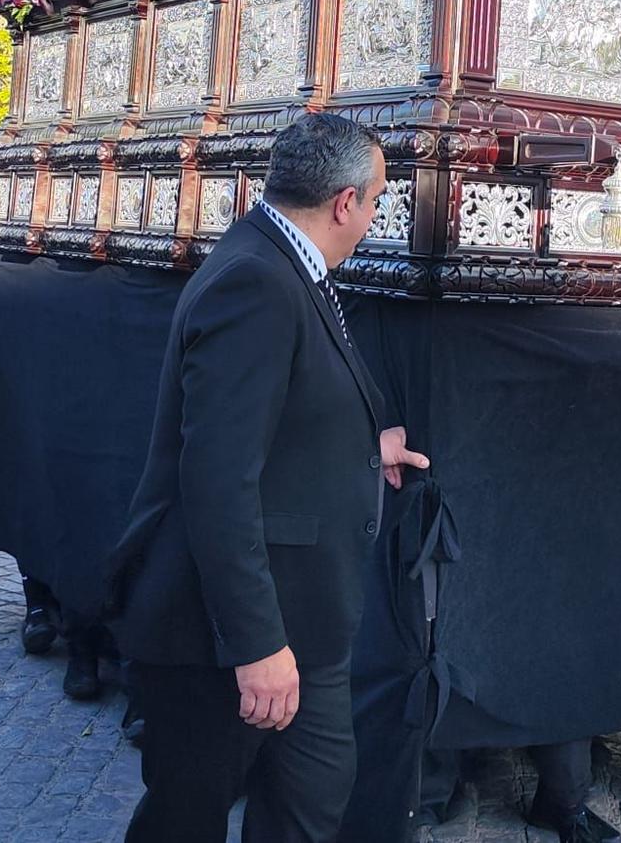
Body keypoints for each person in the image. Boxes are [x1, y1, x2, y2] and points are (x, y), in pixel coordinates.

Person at [107, 114, 427, 843]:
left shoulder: (278, 261)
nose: (375, 216)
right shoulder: (255, 280)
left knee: (307, 806)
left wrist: (358, 447)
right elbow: (217, 480)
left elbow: (276, 417)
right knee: (187, 818)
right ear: (344, 203)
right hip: (231, 634)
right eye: (376, 200)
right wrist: (256, 647)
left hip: (299, 620)